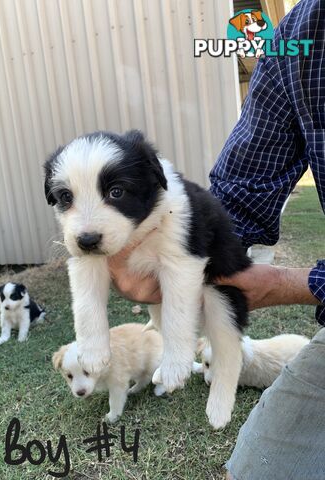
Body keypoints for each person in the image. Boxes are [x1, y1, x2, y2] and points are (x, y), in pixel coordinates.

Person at [108, 0, 325, 478]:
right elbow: (240, 192)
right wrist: (185, 242)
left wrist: (294, 282)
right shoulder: (300, 37)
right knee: (255, 469)